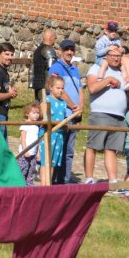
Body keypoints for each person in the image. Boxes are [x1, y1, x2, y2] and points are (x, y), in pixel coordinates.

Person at [83, 45, 128, 187]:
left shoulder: (121, 71)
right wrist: (108, 79)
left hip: (119, 116)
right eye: (113, 55)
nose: (116, 58)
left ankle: (113, 181)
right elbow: (92, 88)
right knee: (93, 146)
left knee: (111, 149)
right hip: (101, 114)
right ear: (105, 56)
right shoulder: (97, 68)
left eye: (118, 56)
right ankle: (89, 178)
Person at [48, 39, 85, 184]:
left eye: (72, 50)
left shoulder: (75, 69)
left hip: (74, 115)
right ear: (60, 51)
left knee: (69, 150)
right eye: (66, 49)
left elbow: (81, 90)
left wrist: (80, 107)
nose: (69, 52)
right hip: (62, 115)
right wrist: (72, 106)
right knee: (58, 148)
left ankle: (65, 178)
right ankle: (54, 179)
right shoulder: (56, 68)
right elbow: (58, 90)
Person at [39, 75, 67, 185]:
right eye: (58, 88)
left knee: (53, 163)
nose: (60, 90)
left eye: (62, 88)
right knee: (45, 161)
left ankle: (48, 183)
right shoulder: (46, 100)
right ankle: (43, 185)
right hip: (48, 134)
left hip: (59, 135)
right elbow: (43, 117)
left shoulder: (63, 103)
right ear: (50, 87)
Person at [17, 101, 41, 186]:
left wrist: (38, 153)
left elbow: (37, 141)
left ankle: (30, 187)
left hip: (33, 154)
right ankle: (20, 186)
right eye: (34, 113)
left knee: (31, 171)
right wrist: (25, 150)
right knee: (23, 170)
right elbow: (23, 140)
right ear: (27, 114)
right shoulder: (25, 125)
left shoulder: (36, 126)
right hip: (25, 153)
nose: (36, 115)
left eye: (38, 113)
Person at [30, 29, 57, 102]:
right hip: (46, 85)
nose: (55, 40)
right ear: (51, 38)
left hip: (38, 84)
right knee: (46, 109)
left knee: (39, 107)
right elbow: (52, 69)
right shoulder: (48, 49)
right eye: (54, 38)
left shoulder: (37, 50)